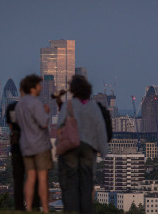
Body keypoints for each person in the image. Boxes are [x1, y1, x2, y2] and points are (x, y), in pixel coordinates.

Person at [57, 75, 107, 214]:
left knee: (70, 182)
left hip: (71, 148)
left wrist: (58, 145)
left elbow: (60, 126)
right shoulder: (94, 107)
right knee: (86, 185)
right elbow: (100, 129)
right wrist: (103, 151)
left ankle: (71, 210)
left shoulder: (69, 105)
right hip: (88, 149)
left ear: (73, 90)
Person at [15, 74, 53, 213]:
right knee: (42, 178)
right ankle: (45, 209)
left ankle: (29, 207)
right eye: (38, 85)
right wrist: (46, 112)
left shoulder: (19, 105)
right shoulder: (35, 102)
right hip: (40, 145)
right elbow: (43, 123)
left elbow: (18, 124)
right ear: (33, 87)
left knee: (30, 178)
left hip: (25, 146)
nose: (40, 88)